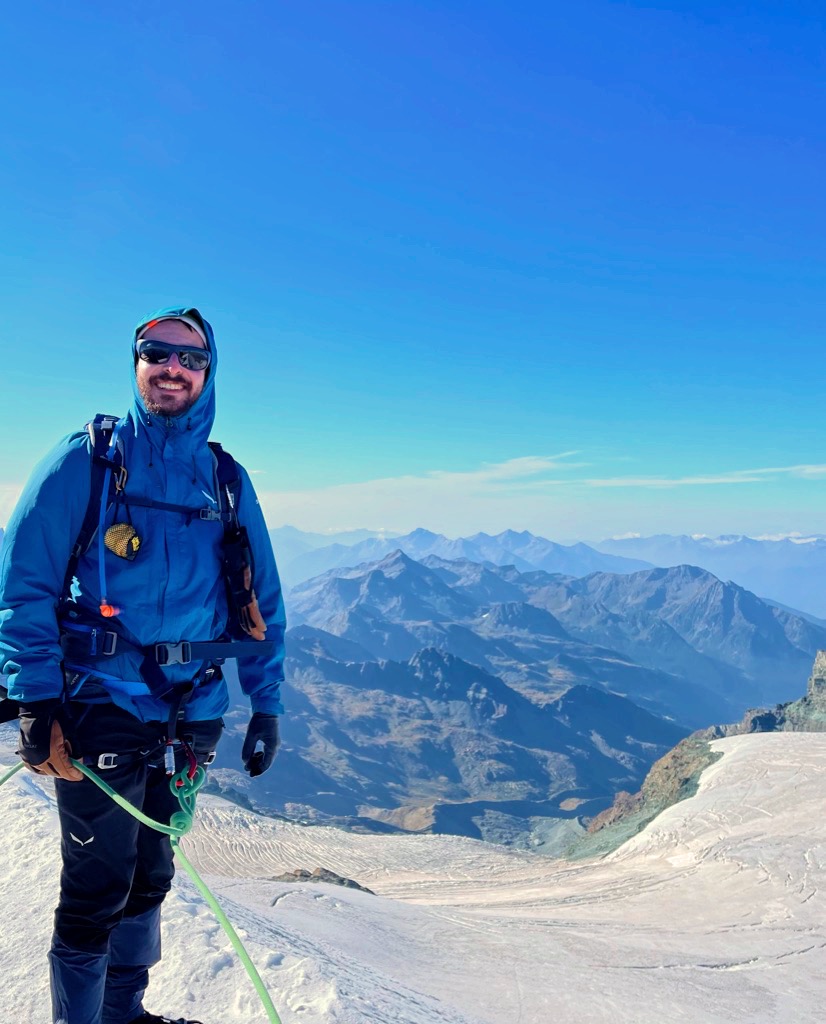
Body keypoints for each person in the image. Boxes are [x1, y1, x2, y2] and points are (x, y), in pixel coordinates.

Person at [0, 307, 286, 1024]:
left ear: (208, 374)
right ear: (136, 362)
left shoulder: (223, 479)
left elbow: (264, 600)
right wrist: (35, 699)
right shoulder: (85, 461)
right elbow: (22, 586)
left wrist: (267, 704)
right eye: (157, 353)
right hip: (101, 701)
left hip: (193, 713)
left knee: (151, 876)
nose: (172, 369)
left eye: (190, 360)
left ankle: (123, 1016)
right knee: (97, 887)